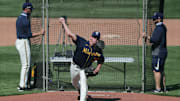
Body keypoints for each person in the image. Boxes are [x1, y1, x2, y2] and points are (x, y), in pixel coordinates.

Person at [59, 17, 104, 101]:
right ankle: (79, 89)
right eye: (93, 37)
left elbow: (101, 59)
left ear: (97, 41)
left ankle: (82, 99)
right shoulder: (81, 42)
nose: (93, 39)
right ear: (90, 37)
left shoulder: (98, 50)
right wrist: (63, 23)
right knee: (74, 83)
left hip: (84, 69)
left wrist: (98, 68)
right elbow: (70, 34)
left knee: (83, 82)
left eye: (96, 38)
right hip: (74, 66)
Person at [16, 2, 44, 91]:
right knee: (26, 64)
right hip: (23, 42)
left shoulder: (20, 18)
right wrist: (40, 33)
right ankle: (22, 86)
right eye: (30, 9)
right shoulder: (25, 20)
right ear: (26, 9)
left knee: (26, 64)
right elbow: (29, 34)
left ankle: (23, 84)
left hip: (20, 41)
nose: (31, 11)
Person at [143, 12, 168, 93]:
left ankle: (158, 89)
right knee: (161, 70)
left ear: (159, 19)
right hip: (161, 51)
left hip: (158, 52)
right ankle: (164, 88)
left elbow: (155, 40)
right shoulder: (161, 27)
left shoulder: (159, 28)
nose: (154, 19)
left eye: (155, 18)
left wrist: (146, 36)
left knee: (156, 70)